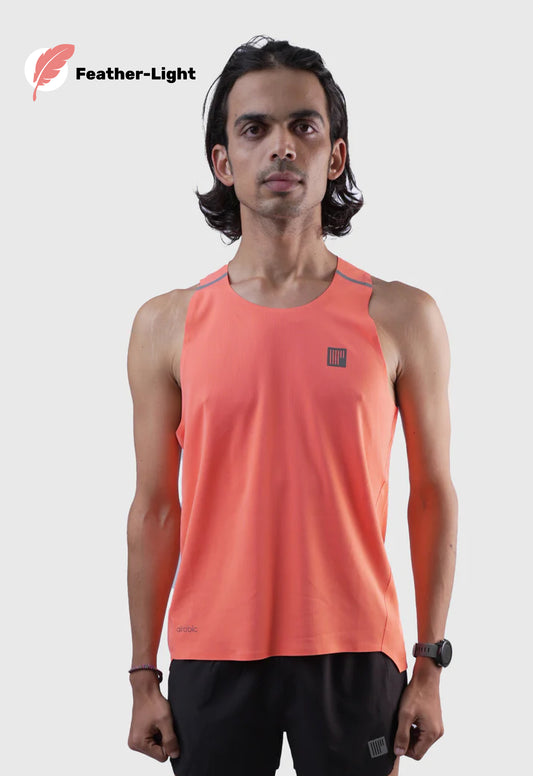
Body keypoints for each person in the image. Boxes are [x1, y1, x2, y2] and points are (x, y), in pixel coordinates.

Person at [126, 35, 458, 776]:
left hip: (354, 652)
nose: (281, 146)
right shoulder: (165, 324)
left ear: (334, 155)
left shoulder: (401, 316)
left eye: (303, 126)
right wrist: (143, 675)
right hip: (212, 652)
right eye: (255, 128)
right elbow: (155, 509)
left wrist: (430, 665)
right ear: (223, 161)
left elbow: (432, 495)